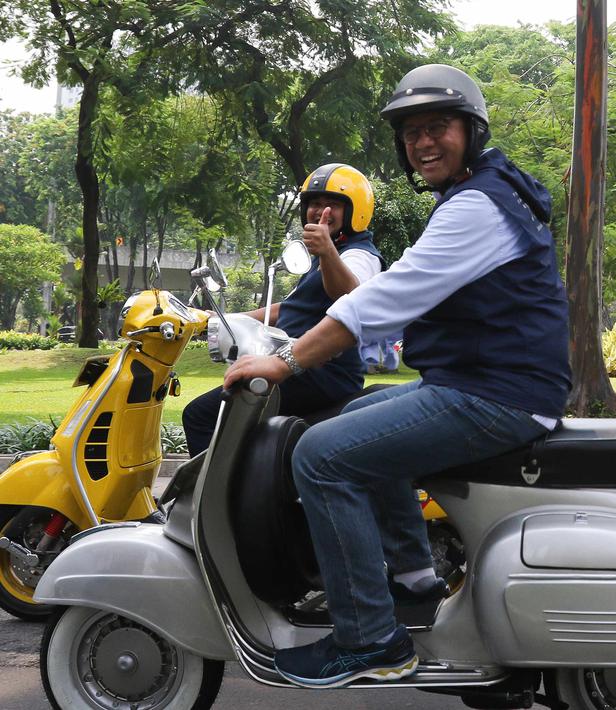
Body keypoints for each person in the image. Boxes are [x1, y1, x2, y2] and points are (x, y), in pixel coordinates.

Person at [222, 64, 571, 688]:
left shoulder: (477, 207)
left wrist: (287, 360)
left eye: (438, 127)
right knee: (353, 422)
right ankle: (413, 583)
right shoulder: (480, 194)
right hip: (485, 381)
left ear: (472, 129)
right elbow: (392, 291)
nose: (423, 143)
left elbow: (383, 303)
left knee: (321, 454)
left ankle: (369, 639)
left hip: (496, 394)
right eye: (411, 133)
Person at [181, 164, 383, 456]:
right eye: (314, 203)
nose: (320, 211)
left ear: (356, 211)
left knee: (200, 416)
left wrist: (327, 252)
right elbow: (287, 308)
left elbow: (350, 296)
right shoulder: (324, 258)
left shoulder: (359, 254)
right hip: (302, 368)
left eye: (333, 204)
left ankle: (216, 500)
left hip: (321, 373)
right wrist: (218, 319)